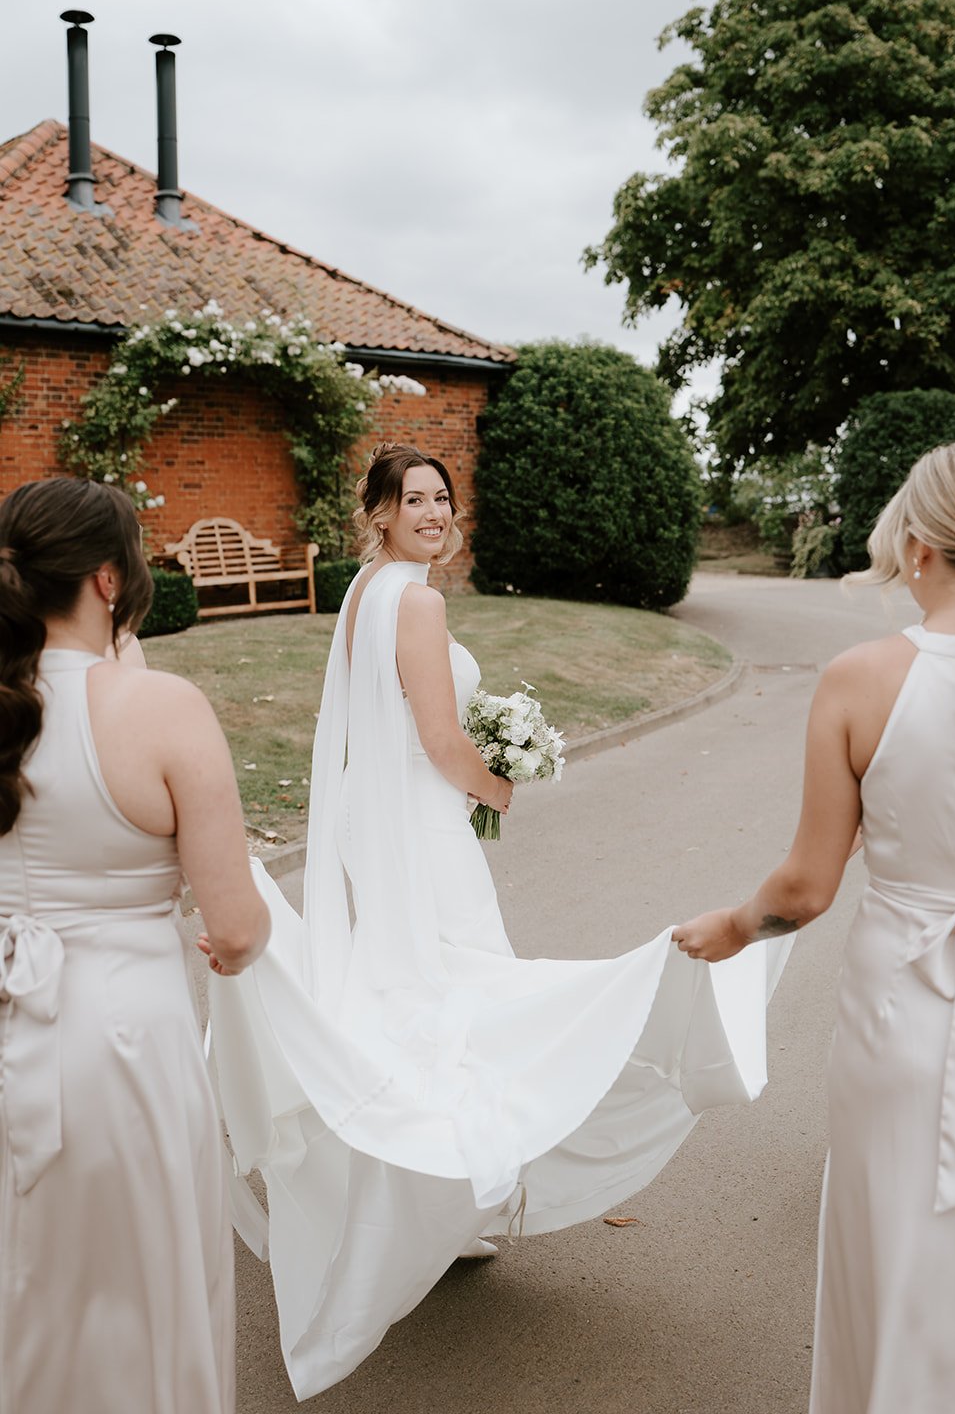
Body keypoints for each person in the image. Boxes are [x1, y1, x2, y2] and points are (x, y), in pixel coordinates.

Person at [207, 442, 794, 1401]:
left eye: (443, 497)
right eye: (414, 501)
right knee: (461, 994)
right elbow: (440, 738)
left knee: (409, 991)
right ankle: (447, 1180)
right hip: (422, 830)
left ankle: (423, 1195)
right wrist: (497, 781)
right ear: (380, 513)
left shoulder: (364, 590)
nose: (435, 513)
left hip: (375, 826)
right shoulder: (421, 601)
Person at [673, 442, 955, 1414]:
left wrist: (729, 925)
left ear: (919, 544)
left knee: (901, 1253)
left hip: (903, 1015)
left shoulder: (856, 678)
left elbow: (804, 887)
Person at [0, 477, 271, 1414]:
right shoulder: (160, 708)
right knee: (136, 1299)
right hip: (122, 1046)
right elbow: (236, 926)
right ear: (109, 580)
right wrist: (234, 948)